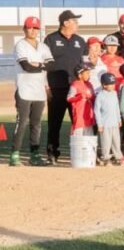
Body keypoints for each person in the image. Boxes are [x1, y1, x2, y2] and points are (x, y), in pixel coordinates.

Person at [43, 10, 88, 163]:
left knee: (79, 122)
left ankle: (81, 152)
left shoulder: (80, 41)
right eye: (75, 21)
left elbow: (85, 64)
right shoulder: (50, 39)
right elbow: (44, 64)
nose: (77, 24)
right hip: (56, 88)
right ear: (65, 23)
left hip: (76, 89)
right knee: (54, 123)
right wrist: (46, 86)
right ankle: (52, 153)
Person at [11, 16, 53, 167]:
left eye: (36, 28)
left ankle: (34, 155)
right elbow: (26, 67)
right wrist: (42, 65)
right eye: (30, 27)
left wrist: (38, 64)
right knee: (22, 122)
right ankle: (14, 155)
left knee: (36, 124)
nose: (33, 30)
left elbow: (51, 65)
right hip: (24, 89)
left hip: (39, 91)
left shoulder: (43, 47)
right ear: (24, 29)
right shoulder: (20, 45)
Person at [94, 72, 124, 166]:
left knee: (116, 141)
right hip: (105, 124)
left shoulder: (114, 93)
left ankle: (118, 157)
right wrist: (99, 124)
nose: (113, 85)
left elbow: (116, 107)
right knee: (106, 142)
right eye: (110, 84)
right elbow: (97, 111)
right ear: (104, 85)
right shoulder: (100, 95)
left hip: (114, 123)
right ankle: (106, 158)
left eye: (113, 83)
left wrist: (119, 119)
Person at [67, 63, 96, 139]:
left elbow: (93, 96)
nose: (89, 75)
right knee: (78, 134)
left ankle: (88, 146)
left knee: (89, 134)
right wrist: (79, 97)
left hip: (89, 114)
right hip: (79, 114)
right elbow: (69, 98)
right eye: (87, 73)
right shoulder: (75, 85)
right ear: (80, 75)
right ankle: (77, 146)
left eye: (89, 73)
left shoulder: (89, 84)